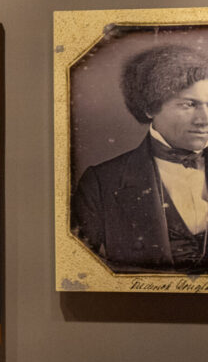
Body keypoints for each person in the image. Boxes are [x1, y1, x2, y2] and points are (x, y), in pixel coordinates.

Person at [73, 43, 208, 273]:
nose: (204, 119)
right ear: (150, 108)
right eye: (189, 105)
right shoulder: (101, 183)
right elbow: (79, 270)